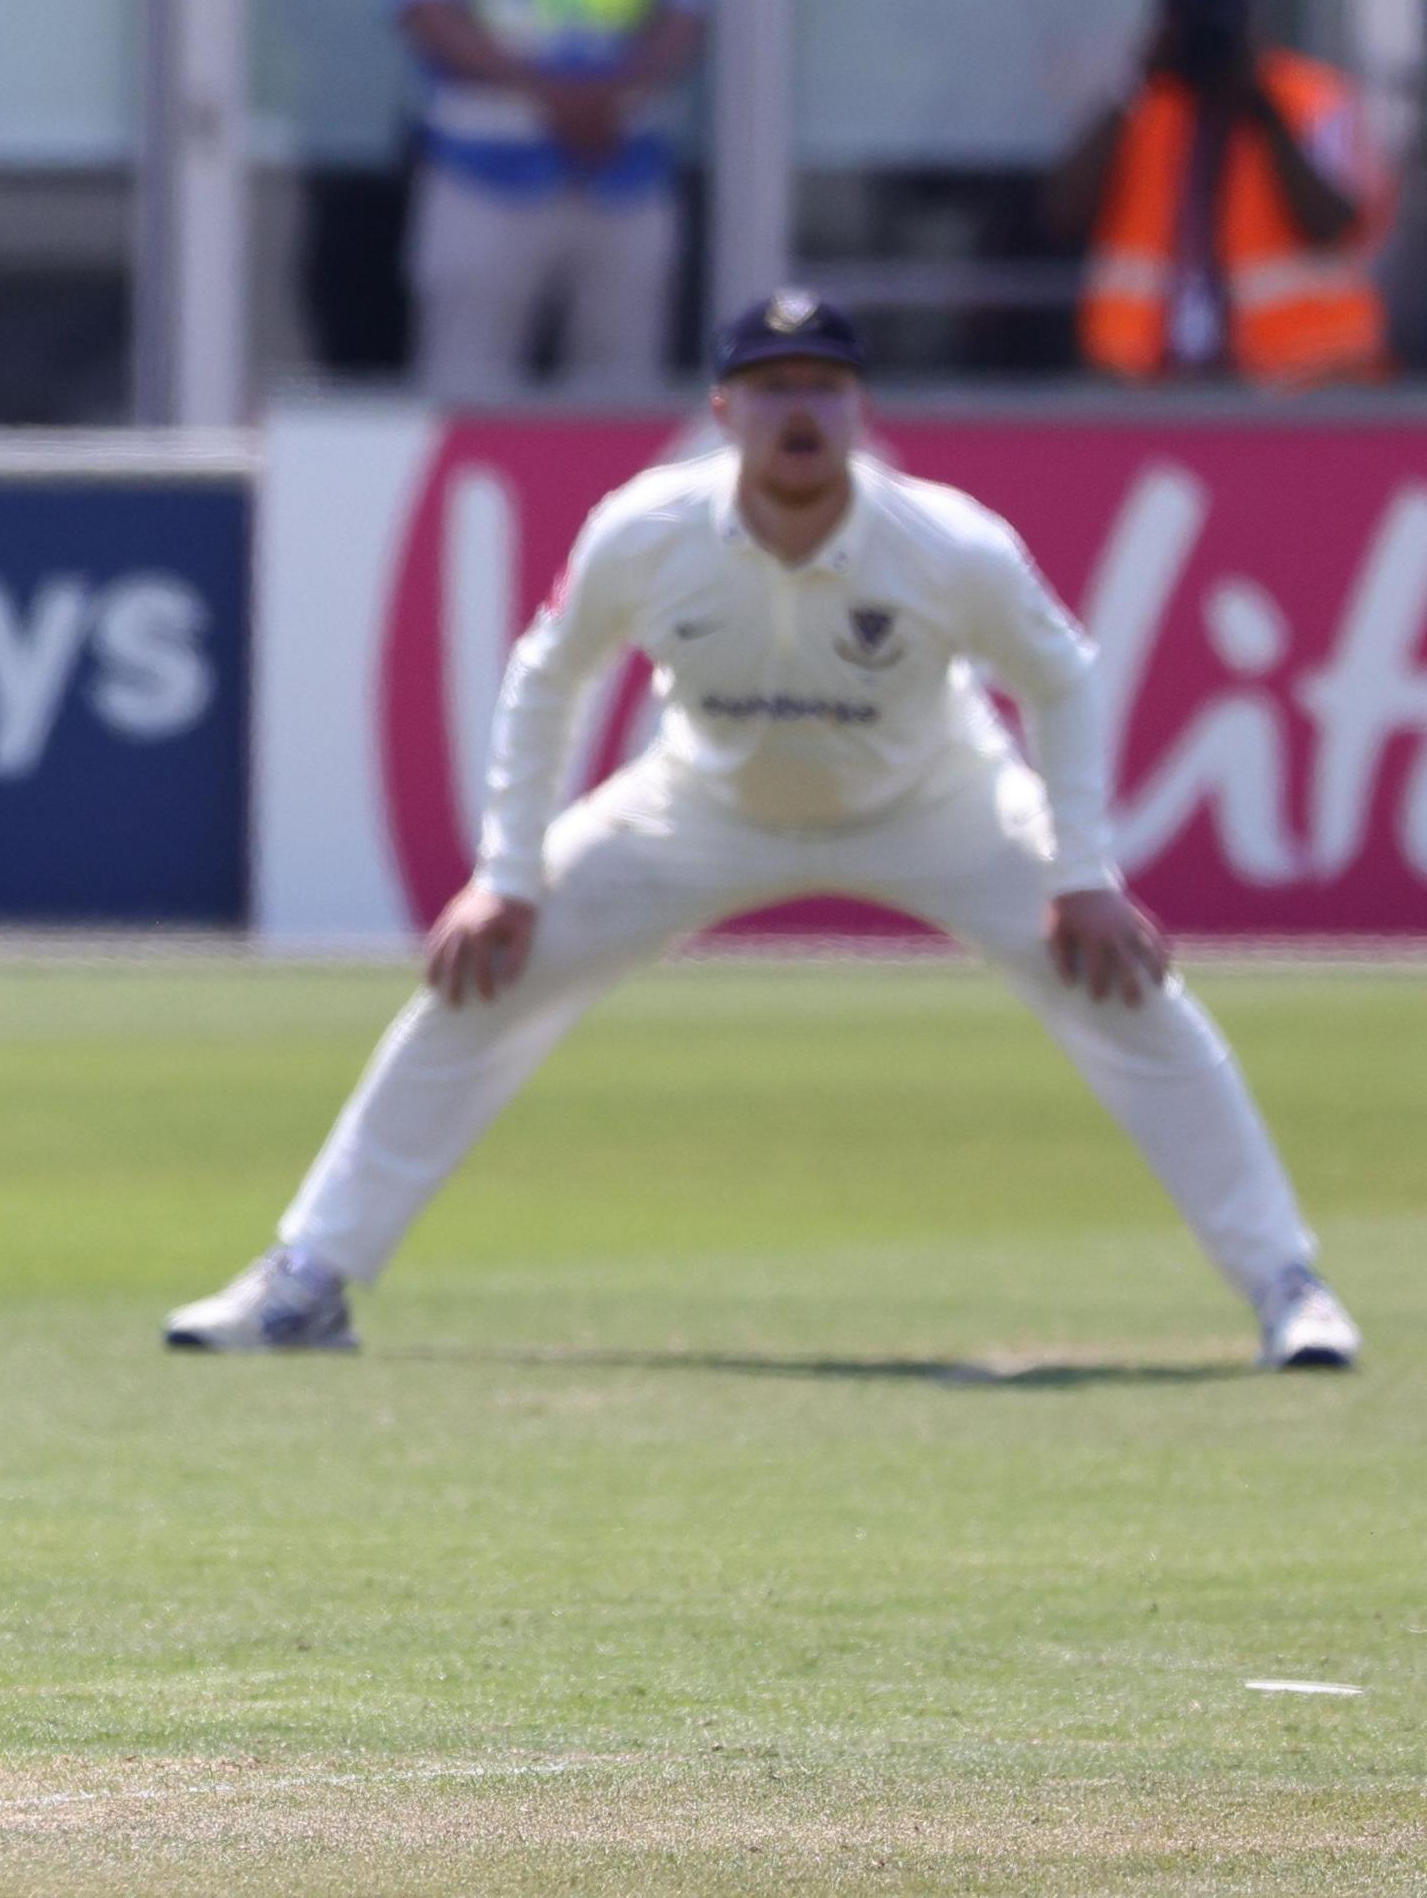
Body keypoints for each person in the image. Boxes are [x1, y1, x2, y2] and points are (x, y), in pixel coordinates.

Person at [166, 292, 1358, 1372]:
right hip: (703, 803)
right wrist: (507, 875)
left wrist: (1083, 872)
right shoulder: (646, 531)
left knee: (1130, 994)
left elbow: (1065, 678)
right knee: (478, 980)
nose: (803, 410)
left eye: (825, 387)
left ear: (861, 411)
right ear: (724, 410)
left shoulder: (947, 543)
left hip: (934, 804)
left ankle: (1285, 1286)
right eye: (776, 387)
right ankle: (310, 1278)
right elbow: (548, 676)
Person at [385, 0, 706, 403]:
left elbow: (688, 12)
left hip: (620, 167)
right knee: (463, 390)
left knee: (623, 395)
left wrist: (609, 95)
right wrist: (557, 96)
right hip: (485, 169)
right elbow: (421, 4)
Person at [1049, 0, 1389, 388]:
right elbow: (1060, 214)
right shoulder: (1138, 105)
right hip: (1144, 382)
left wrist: (1264, 111)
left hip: (1301, 384)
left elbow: (1335, 226)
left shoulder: (1310, 99)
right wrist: (1134, 81)